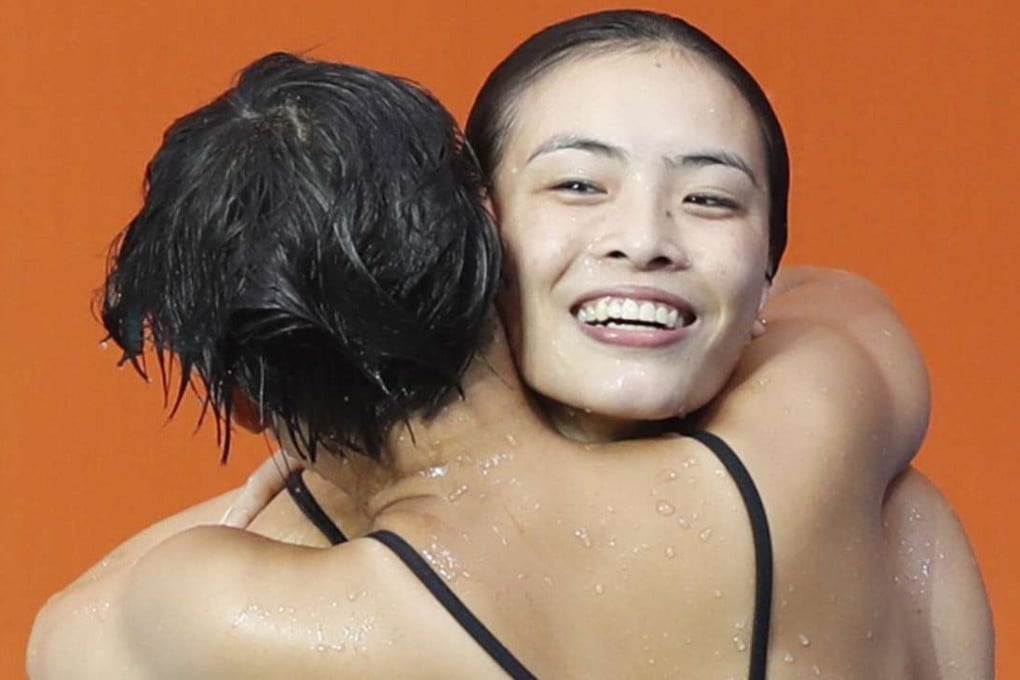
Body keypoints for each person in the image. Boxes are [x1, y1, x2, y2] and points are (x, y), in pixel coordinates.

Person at [28, 12, 993, 680]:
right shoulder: (805, 445)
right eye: (578, 187)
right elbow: (842, 306)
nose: (644, 239)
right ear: (483, 241)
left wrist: (328, 443)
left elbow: (68, 635)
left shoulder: (264, 607)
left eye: (707, 197)